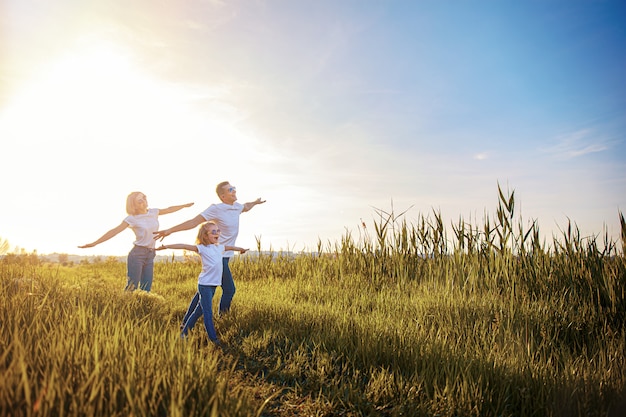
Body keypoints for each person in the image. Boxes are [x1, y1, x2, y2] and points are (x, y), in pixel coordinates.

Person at [154, 181, 265, 314]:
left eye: (234, 188)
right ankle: (223, 317)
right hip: (216, 255)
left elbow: (246, 206)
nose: (234, 191)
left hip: (224, 255)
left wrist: (255, 202)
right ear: (223, 196)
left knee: (206, 289)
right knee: (229, 289)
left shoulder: (237, 207)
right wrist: (170, 230)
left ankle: (187, 320)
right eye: (230, 189)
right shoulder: (216, 209)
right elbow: (194, 222)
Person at [79, 192, 194, 292]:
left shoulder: (153, 212)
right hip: (137, 254)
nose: (144, 201)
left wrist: (184, 206)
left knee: (146, 287)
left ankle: (141, 309)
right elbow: (115, 231)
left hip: (151, 253)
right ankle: (124, 310)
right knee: (132, 287)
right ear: (133, 205)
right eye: (140, 201)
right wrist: (95, 243)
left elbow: (169, 209)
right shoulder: (131, 219)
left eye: (144, 198)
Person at [157, 221, 248, 345]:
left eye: (218, 231)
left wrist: (241, 249)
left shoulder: (219, 247)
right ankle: (214, 340)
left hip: (213, 286)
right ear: (205, 236)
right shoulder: (201, 248)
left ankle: (184, 334)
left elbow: (230, 247)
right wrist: (166, 246)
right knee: (208, 313)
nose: (217, 233)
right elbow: (184, 246)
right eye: (213, 231)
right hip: (204, 286)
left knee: (198, 311)